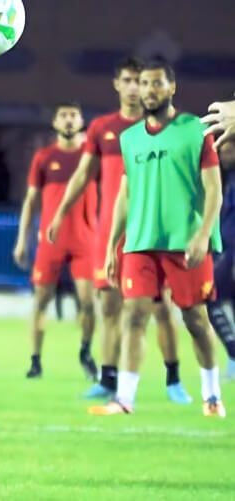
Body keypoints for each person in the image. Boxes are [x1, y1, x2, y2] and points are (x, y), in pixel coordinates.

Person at [46, 57, 192, 403]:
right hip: (110, 233)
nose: (132, 87)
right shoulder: (102, 128)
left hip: (152, 232)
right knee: (109, 307)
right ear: (118, 84)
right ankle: (108, 379)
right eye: (127, 80)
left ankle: (174, 378)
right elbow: (83, 175)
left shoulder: (163, 127)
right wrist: (59, 213)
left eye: (138, 81)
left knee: (160, 309)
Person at [90, 59, 224, 416]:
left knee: (195, 320)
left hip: (186, 242)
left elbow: (214, 191)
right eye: (144, 83)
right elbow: (125, 194)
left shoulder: (196, 129)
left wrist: (203, 234)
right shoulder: (129, 138)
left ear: (171, 88)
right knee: (134, 315)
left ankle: (212, 395)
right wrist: (111, 246)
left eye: (157, 83)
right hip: (140, 242)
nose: (149, 89)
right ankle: (125, 399)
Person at [13, 102, 98, 380]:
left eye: (74, 115)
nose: (69, 120)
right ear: (55, 123)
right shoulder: (44, 157)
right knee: (41, 301)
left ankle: (86, 351)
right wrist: (21, 240)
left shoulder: (92, 156)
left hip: (85, 239)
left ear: (82, 120)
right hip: (51, 240)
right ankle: (34, 360)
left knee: (88, 302)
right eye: (63, 115)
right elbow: (30, 200)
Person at [209, 140, 235, 380]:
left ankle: (233, 353)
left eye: (228, 151)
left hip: (231, 252)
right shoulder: (229, 179)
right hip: (225, 249)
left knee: (210, 298)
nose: (223, 155)